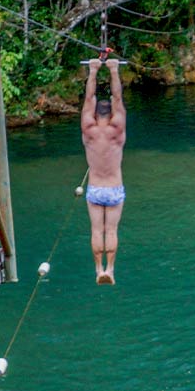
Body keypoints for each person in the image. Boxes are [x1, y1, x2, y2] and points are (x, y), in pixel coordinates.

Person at [80, 57, 126, 284]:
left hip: (95, 189)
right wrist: (114, 70)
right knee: (112, 231)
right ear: (112, 115)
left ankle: (98, 270)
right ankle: (111, 269)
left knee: (97, 231)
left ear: (95, 114)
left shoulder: (88, 129)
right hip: (114, 189)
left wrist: (93, 71)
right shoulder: (117, 130)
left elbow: (89, 98)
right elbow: (117, 97)